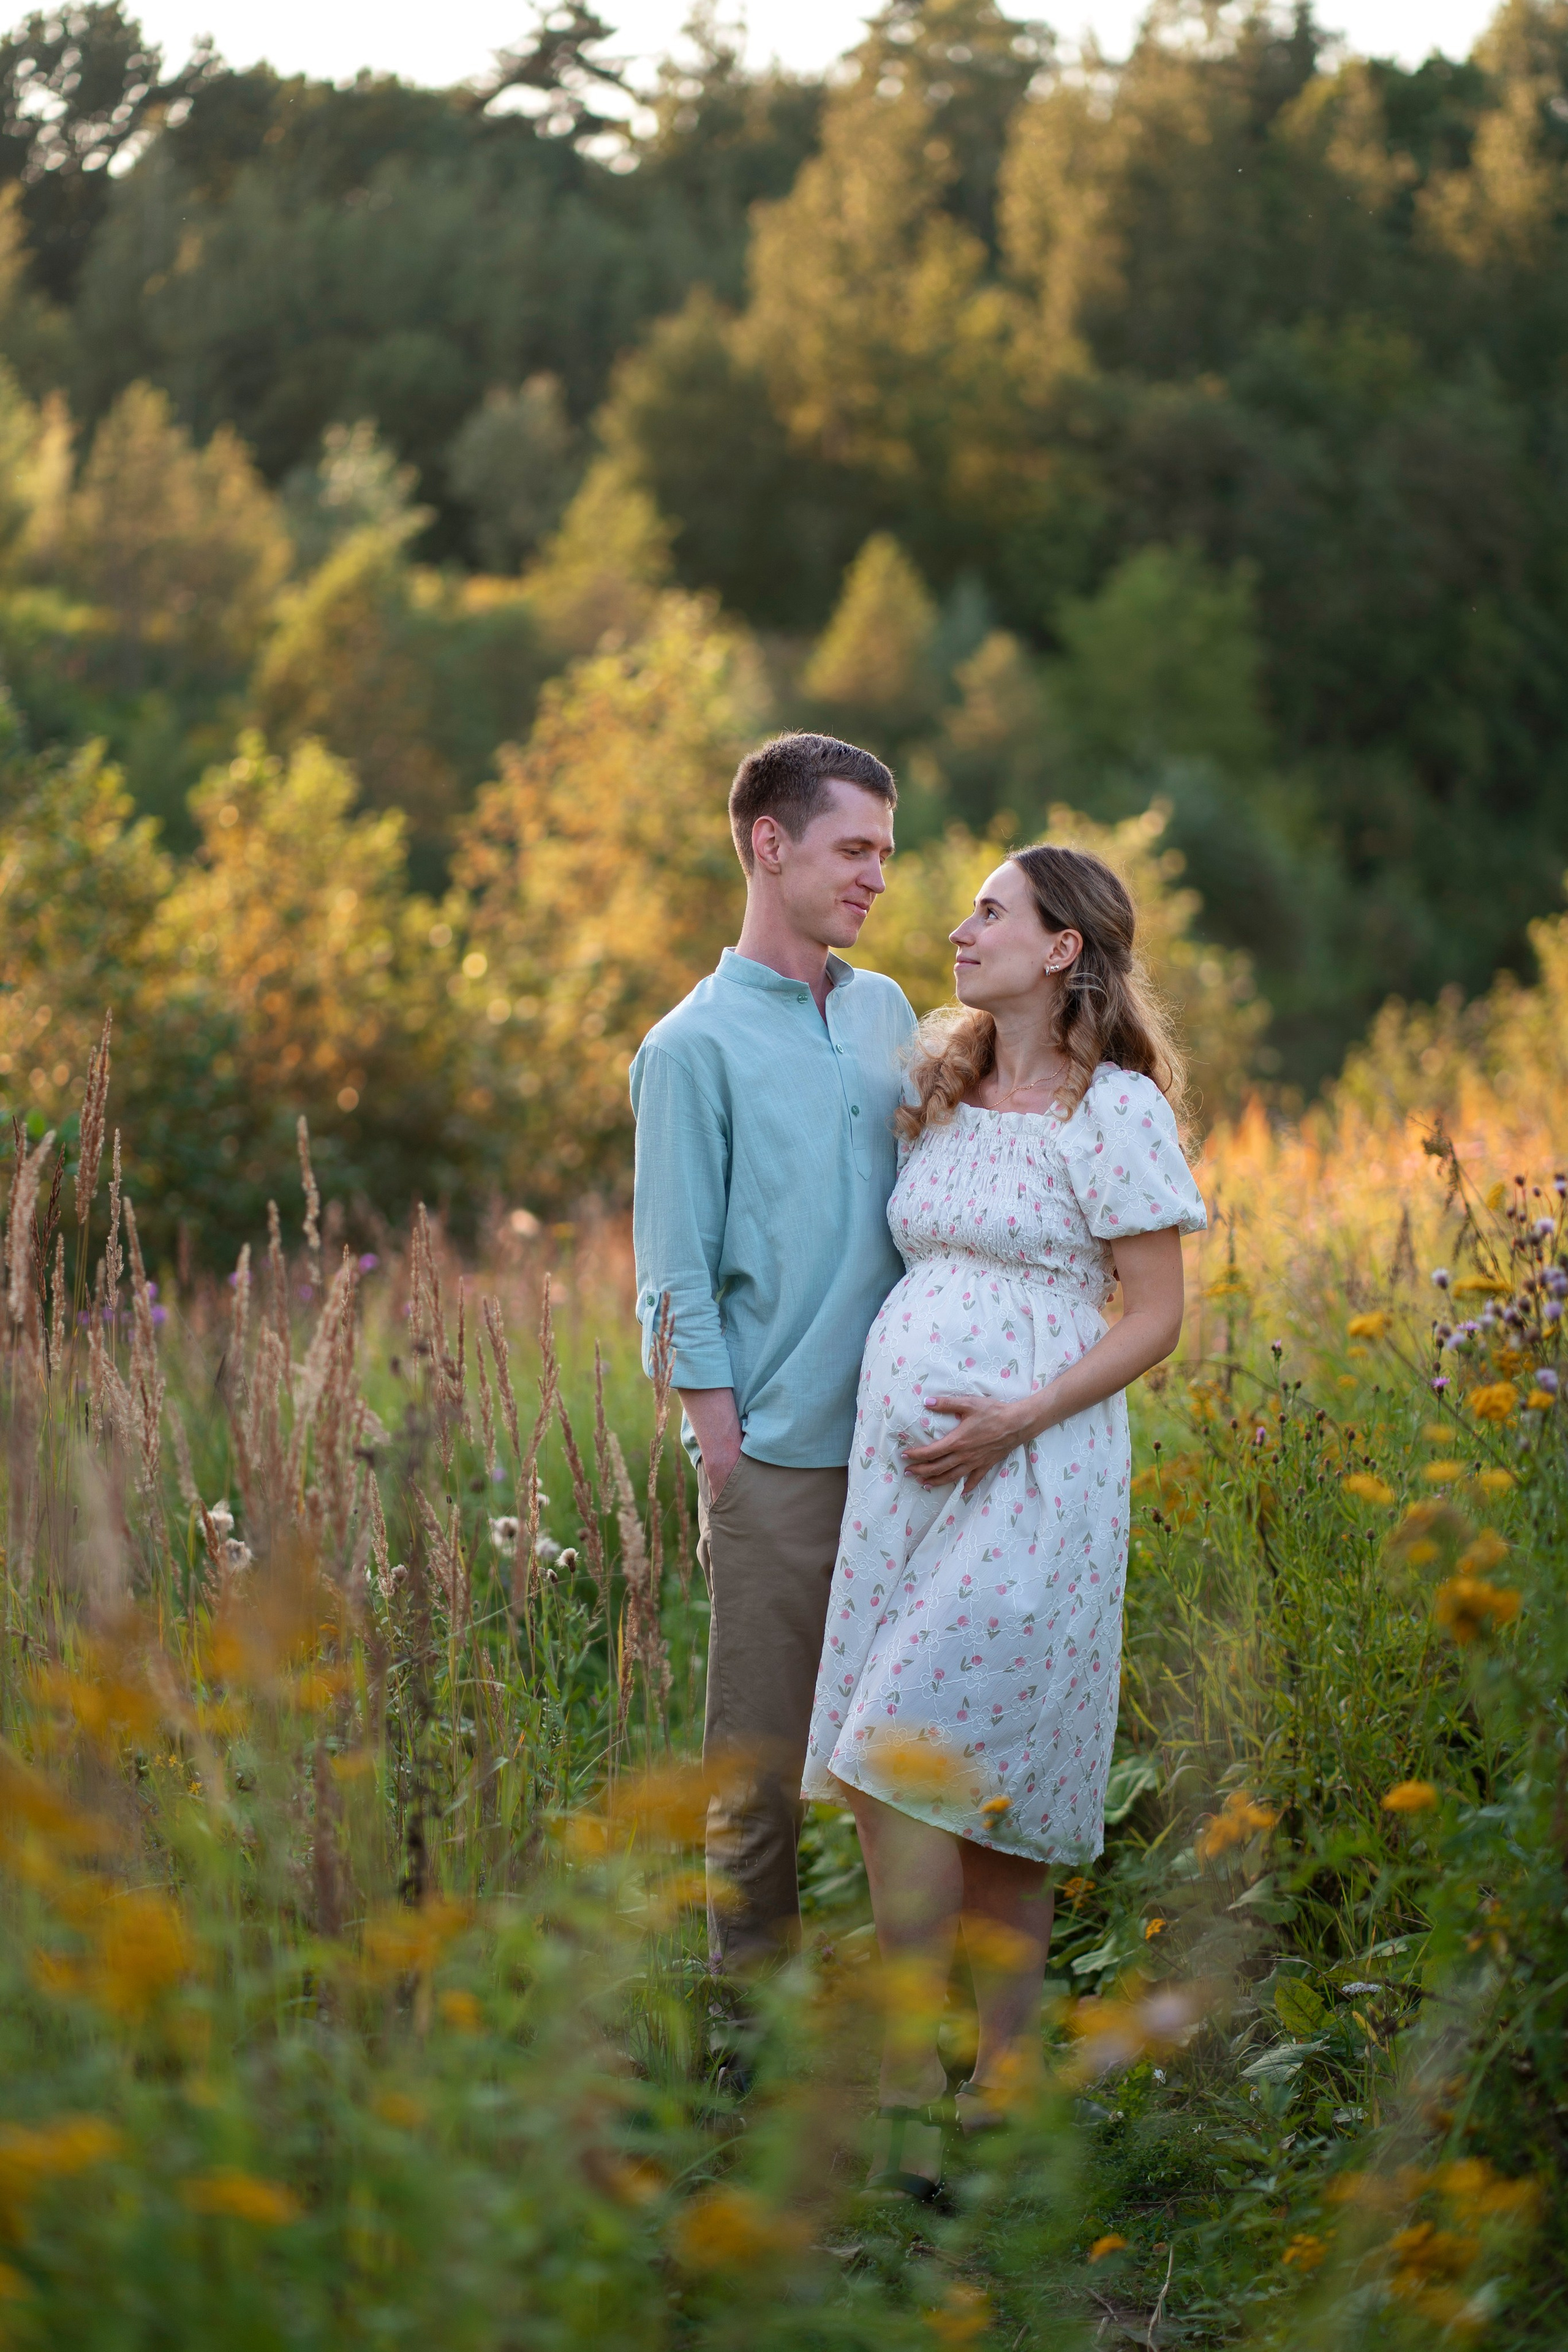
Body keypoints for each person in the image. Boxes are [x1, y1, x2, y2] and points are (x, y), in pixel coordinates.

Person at [802, 842, 1207, 2198]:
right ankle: (956, 2083)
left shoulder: (1117, 1113)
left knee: (953, 1760)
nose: (958, 926)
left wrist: (1014, 1417)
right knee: (900, 1758)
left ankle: (966, 2077)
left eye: (989, 910)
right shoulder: (940, 1081)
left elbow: (1152, 1316)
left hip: (1035, 1469)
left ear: (1060, 950)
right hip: (901, 1477)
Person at [630, 731, 916, 1991]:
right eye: (853, 848)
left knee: (918, 1756)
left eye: (884, 855)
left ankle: (910, 2019)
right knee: (756, 1770)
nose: (874, 877)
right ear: (768, 843)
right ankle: (751, 2045)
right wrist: (722, 1450)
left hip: (919, 1445)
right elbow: (673, 1274)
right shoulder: (687, 1048)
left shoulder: (887, 1010)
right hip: (780, 1458)